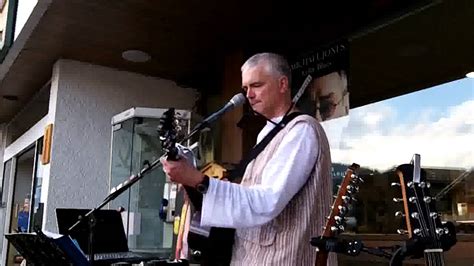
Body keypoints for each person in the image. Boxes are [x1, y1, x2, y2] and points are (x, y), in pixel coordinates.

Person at [162, 53, 335, 265]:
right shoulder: (268, 132)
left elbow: (267, 201)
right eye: (245, 89)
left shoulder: (301, 131)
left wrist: (198, 180)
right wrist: (191, 181)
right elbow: (249, 195)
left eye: (257, 85)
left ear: (283, 84)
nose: (249, 95)